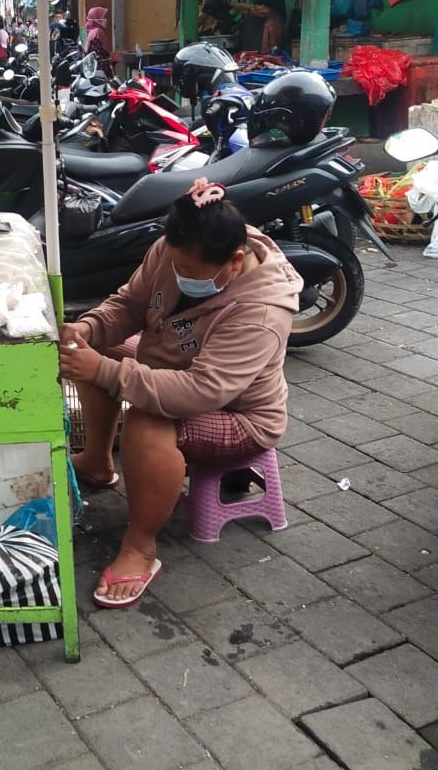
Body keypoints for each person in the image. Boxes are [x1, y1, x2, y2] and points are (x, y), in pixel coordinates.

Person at [58, 179, 302, 608]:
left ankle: (140, 546)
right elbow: (130, 305)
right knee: (94, 350)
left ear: (235, 262)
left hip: (239, 415)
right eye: (174, 265)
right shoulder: (178, 247)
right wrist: (88, 330)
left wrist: (106, 371)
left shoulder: (262, 311)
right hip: (174, 369)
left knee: (147, 420)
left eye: (189, 272)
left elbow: (201, 391)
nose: (178, 275)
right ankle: (96, 463)